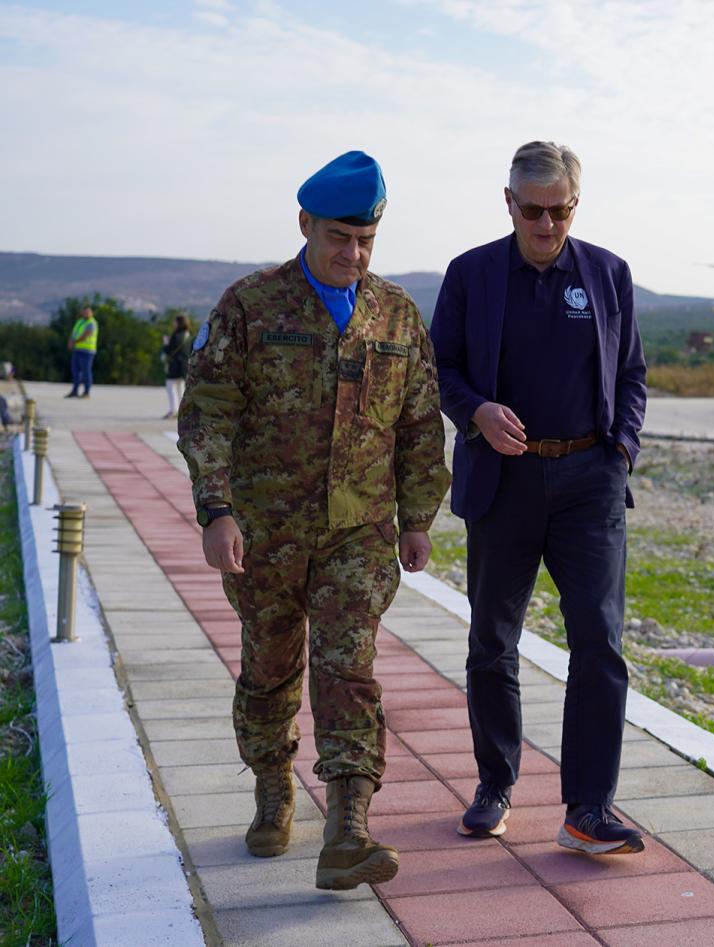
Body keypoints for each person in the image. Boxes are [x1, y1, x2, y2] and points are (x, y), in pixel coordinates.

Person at [178, 151, 450, 891]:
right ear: (304, 225)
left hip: (357, 531)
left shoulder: (394, 312)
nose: (352, 253)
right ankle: (272, 785)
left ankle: (349, 827)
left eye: (365, 240)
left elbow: (422, 423)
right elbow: (207, 414)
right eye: (339, 237)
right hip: (265, 531)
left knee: (348, 667)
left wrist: (418, 516)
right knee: (270, 670)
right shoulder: (251, 306)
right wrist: (217, 510)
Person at [430, 141, 647, 855]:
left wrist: (621, 451)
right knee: (492, 640)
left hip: (590, 482)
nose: (547, 225)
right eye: (534, 210)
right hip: (505, 482)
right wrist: (477, 414)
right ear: (509, 202)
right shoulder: (471, 275)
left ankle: (589, 808)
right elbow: (443, 369)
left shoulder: (609, 274)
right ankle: (495, 784)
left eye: (560, 211)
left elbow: (634, 374)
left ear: (574, 205)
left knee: (601, 642)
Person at [161, 313, 192, 419]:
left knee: (170, 386)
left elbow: (168, 350)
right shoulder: (188, 334)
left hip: (175, 365)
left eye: (175, 321)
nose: (173, 323)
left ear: (179, 322)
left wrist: (165, 343)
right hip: (184, 366)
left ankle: (173, 410)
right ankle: (182, 411)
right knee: (181, 388)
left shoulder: (176, 335)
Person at [65, 306, 98, 398]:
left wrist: (74, 342)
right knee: (75, 371)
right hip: (77, 349)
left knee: (86, 372)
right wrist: (70, 342)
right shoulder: (80, 322)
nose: (86, 314)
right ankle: (75, 391)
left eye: (88, 312)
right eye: (84, 312)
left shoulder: (92, 323)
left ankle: (86, 392)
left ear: (92, 313)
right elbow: (74, 334)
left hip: (87, 351)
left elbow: (86, 335)